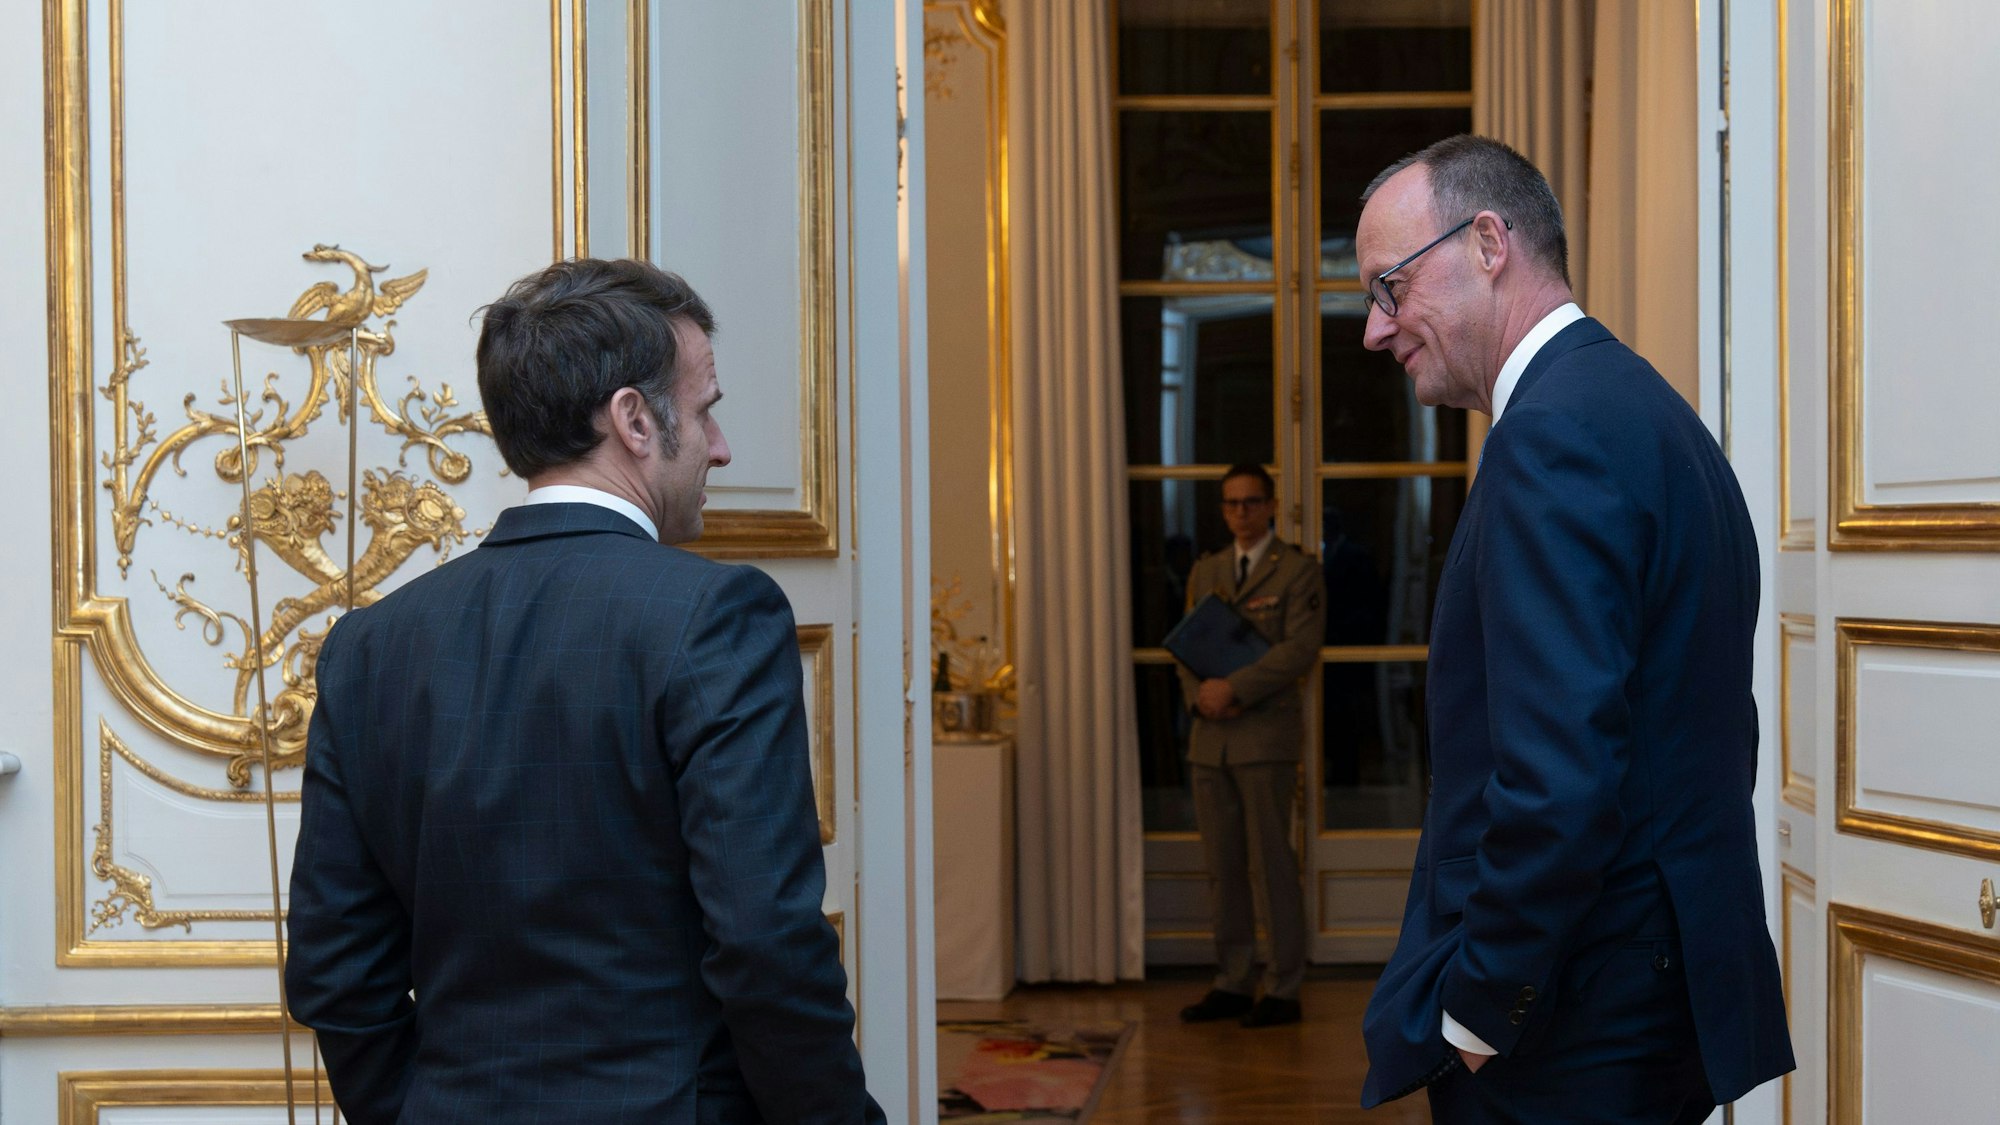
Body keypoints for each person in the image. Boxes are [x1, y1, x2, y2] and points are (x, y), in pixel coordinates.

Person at [285, 258, 883, 1124]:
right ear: (635, 420)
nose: (721, 447)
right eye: (707, 409)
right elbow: (766, 947)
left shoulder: (369, 645)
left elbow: (336, 968)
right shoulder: (716, 615)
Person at [1352, 136, 1792, 1122]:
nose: (1374, 332)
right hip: (1648, 984)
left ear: (1487, 243)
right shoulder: (1639, 408)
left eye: (1388, 288)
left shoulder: (1552, 434)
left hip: (1571, 1018)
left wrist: (1473, 1016)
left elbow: (1556, 783)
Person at [1174, 463, 1325, 1029]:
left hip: (1264, 738)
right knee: (1223, 868)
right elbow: (1185, 645)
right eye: (1231, 504)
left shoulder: (1298, 571)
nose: (1240, 513)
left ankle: (1283, 986)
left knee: (1271, 866)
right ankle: (1233, 980)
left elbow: (1298, 650)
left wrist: (1233, 688)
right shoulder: (1207, 570)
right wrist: (1203, 697)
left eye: (1250, 502)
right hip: (1210, 740)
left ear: (1269, 506)